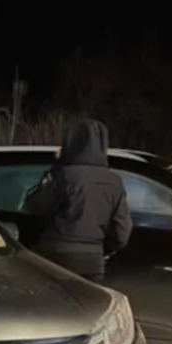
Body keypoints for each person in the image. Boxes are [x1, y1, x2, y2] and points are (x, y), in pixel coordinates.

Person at [24, 119, 132, 281]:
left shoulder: (65, 175)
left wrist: (52, 172)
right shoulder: (114, 182)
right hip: (92, 261)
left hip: (56, 254)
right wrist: (101, 249)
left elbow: (36, 207)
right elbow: (122, 232)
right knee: (89, 305)